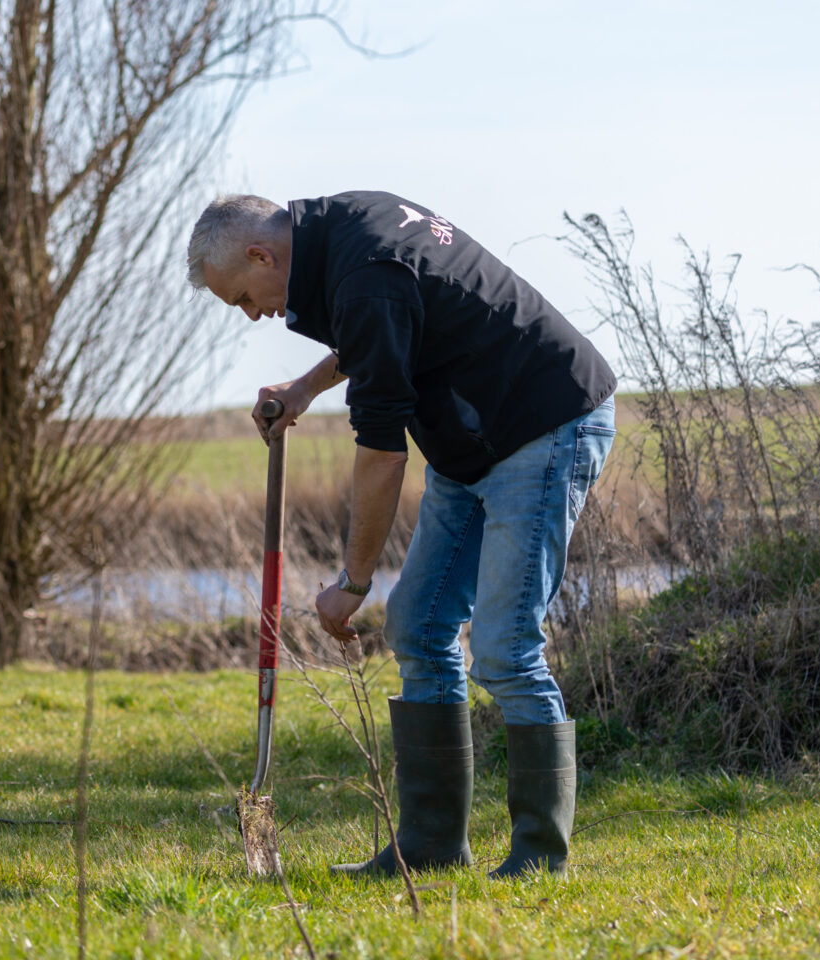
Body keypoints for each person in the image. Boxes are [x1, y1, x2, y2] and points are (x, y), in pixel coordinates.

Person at [187, 191, 617, 879]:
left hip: (544, 424)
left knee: (505, 648)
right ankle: (432, 846)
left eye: (242, 296)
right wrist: (304, 387)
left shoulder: (362, 271)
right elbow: (381, 330)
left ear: (261, 255)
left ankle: (541, 858)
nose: (252, 313)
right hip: (472, 441)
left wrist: (353, 583)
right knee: (418, 628)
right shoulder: (340, 229)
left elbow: (383, 456)